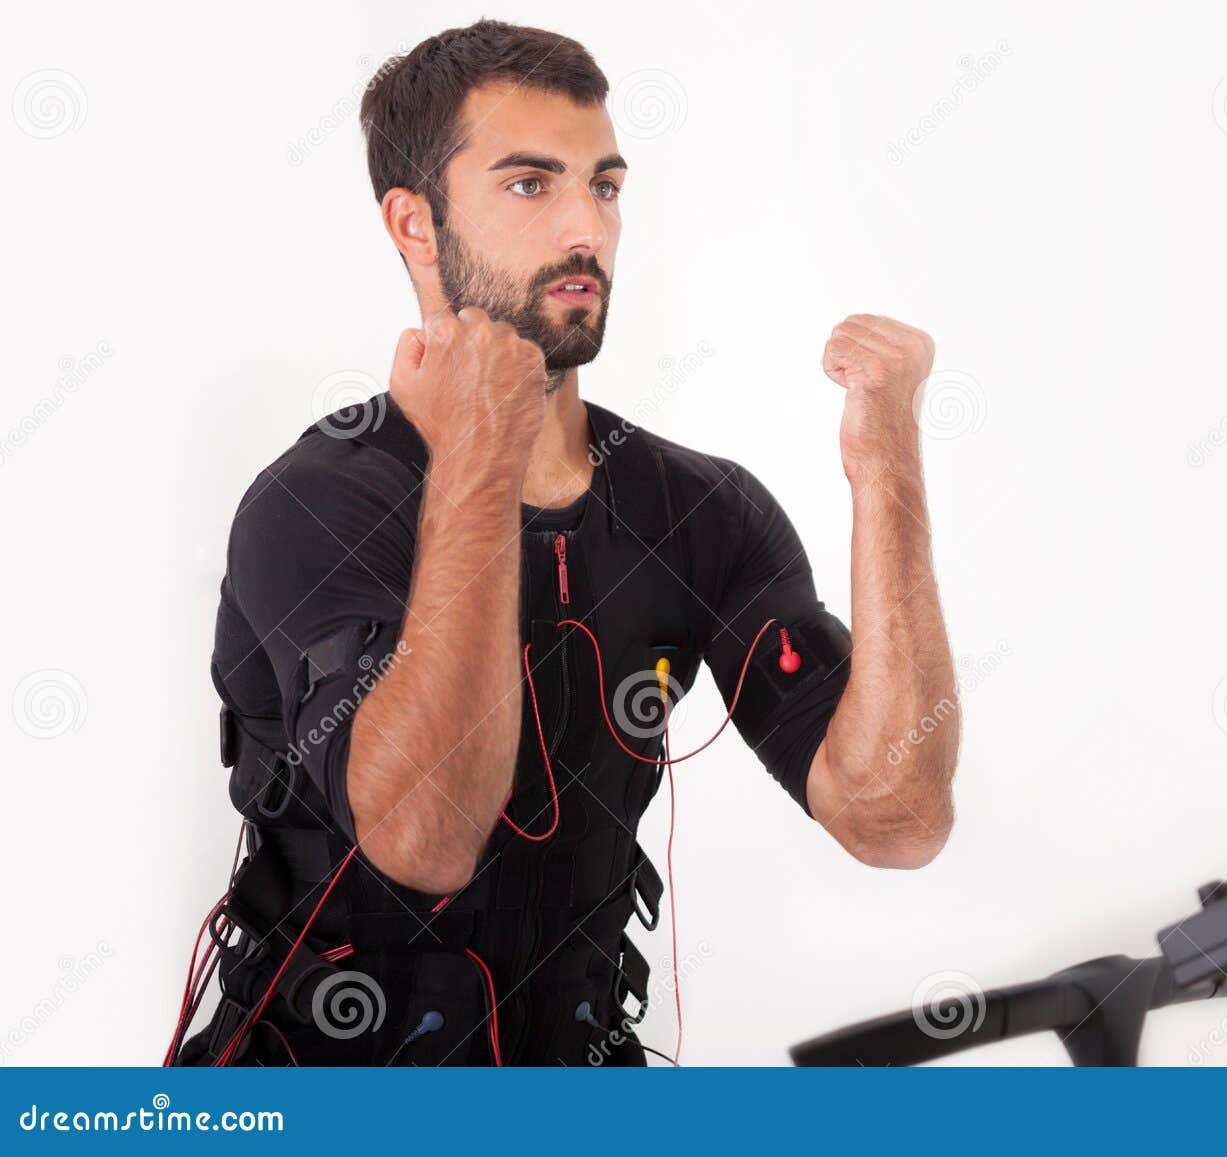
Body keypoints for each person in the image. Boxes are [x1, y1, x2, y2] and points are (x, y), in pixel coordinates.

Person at [175, 19, 959, 1066]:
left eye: (606, 185)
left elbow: (894, 818)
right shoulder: (319, 500)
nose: (586, 226)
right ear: (413, 223)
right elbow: (423, 839)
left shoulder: (697, 508)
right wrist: (481, 448)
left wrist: (887, 463)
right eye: (529, 184)